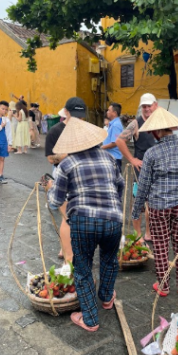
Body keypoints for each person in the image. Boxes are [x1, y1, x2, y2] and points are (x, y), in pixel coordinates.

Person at [47, 115, 124, 332]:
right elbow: (120, 185)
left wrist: (50, 188)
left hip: (83, 221)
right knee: (109, 260)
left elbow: (56, 200)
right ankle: (107, 298)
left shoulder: (67, 164)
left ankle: (90, 318)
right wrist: (112, 205)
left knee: (82, 268)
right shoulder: (108, 158)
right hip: (113, 220)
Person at [131, 108, 178, 298]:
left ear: (156, 132)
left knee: (160, 245)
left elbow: (143, 185)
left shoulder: (152, 153)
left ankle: (163, 286)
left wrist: (136, 210)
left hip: (158, 206)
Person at [46, 98, 88, 263]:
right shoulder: (55, 131)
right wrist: (70, 153)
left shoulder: (86, 130)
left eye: (81, 116)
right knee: (66, 215)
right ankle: (66, 252)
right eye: (75, 115)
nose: (79, 119)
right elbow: (51, 158)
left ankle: (70, 246)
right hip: (63, 175)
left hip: (83, 176)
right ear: (66, 113)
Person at [114, 94, 160, 243]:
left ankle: (149, 232)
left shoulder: (161, 121)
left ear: (155, 105)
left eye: (149, 105)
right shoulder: (136, 124)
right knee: (139, 203)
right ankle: (138, 234)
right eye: (144, 106)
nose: (146, 109)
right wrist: (132, 159)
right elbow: (120, 141)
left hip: (158, 170)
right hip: (140, 170)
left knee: (153, 204)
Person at [102, 102, 125, 173]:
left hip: (114, 159)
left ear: (114, 113)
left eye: (109, 110)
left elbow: (115, 143)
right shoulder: (113, 124)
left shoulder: (116, 125)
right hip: (111, 157)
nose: (107, 112)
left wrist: (102, 147)